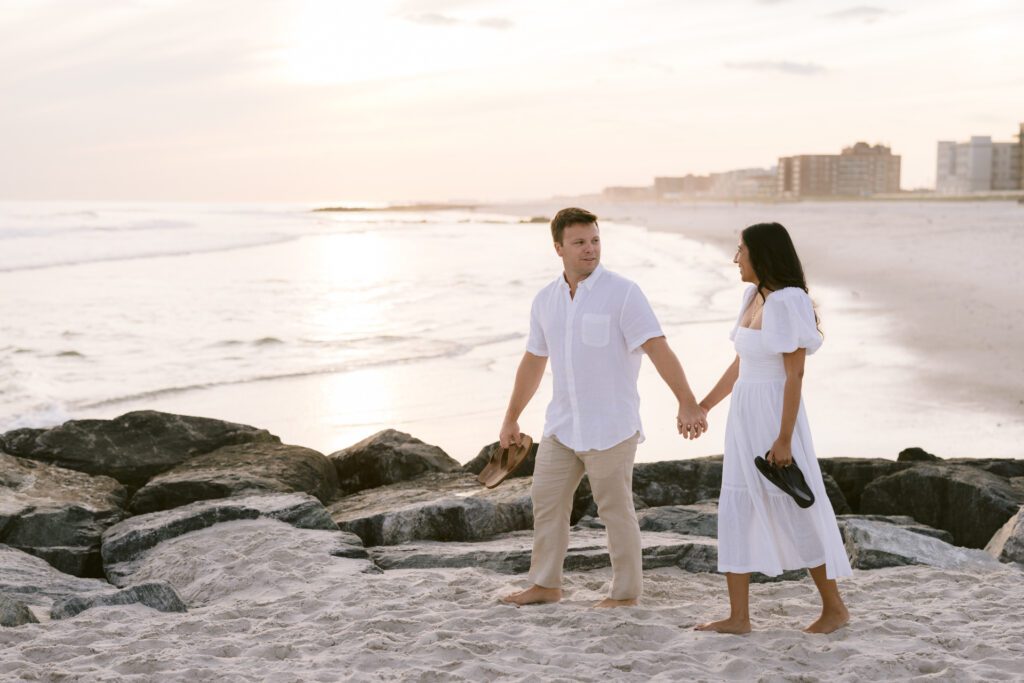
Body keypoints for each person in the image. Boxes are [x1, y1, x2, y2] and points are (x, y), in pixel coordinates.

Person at [499, 207, 707, 609]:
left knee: (615, 512)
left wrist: (687, 402)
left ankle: (625, 594)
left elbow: (657, 347)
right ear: (558, 247)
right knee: (546, 503)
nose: (590, 249)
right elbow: (533, 361)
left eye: (595, 240)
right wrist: (511, 417)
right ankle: (546, 585)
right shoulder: (545, 300)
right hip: (561, 425)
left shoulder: (624, 293)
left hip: (611, 426)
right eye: (579, 242)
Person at [695, 222, 851, 634]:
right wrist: (705, 405)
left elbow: (795, 376)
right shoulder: (752, 296)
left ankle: (834, 608)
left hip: (774, 414)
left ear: (761, 255)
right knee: (737, 507)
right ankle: (738, 617)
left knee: (793, 504)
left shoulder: (788, 301)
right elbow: (740, 363)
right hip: (744, 414)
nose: (735, 258)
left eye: (741, 250)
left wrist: (783, 439)